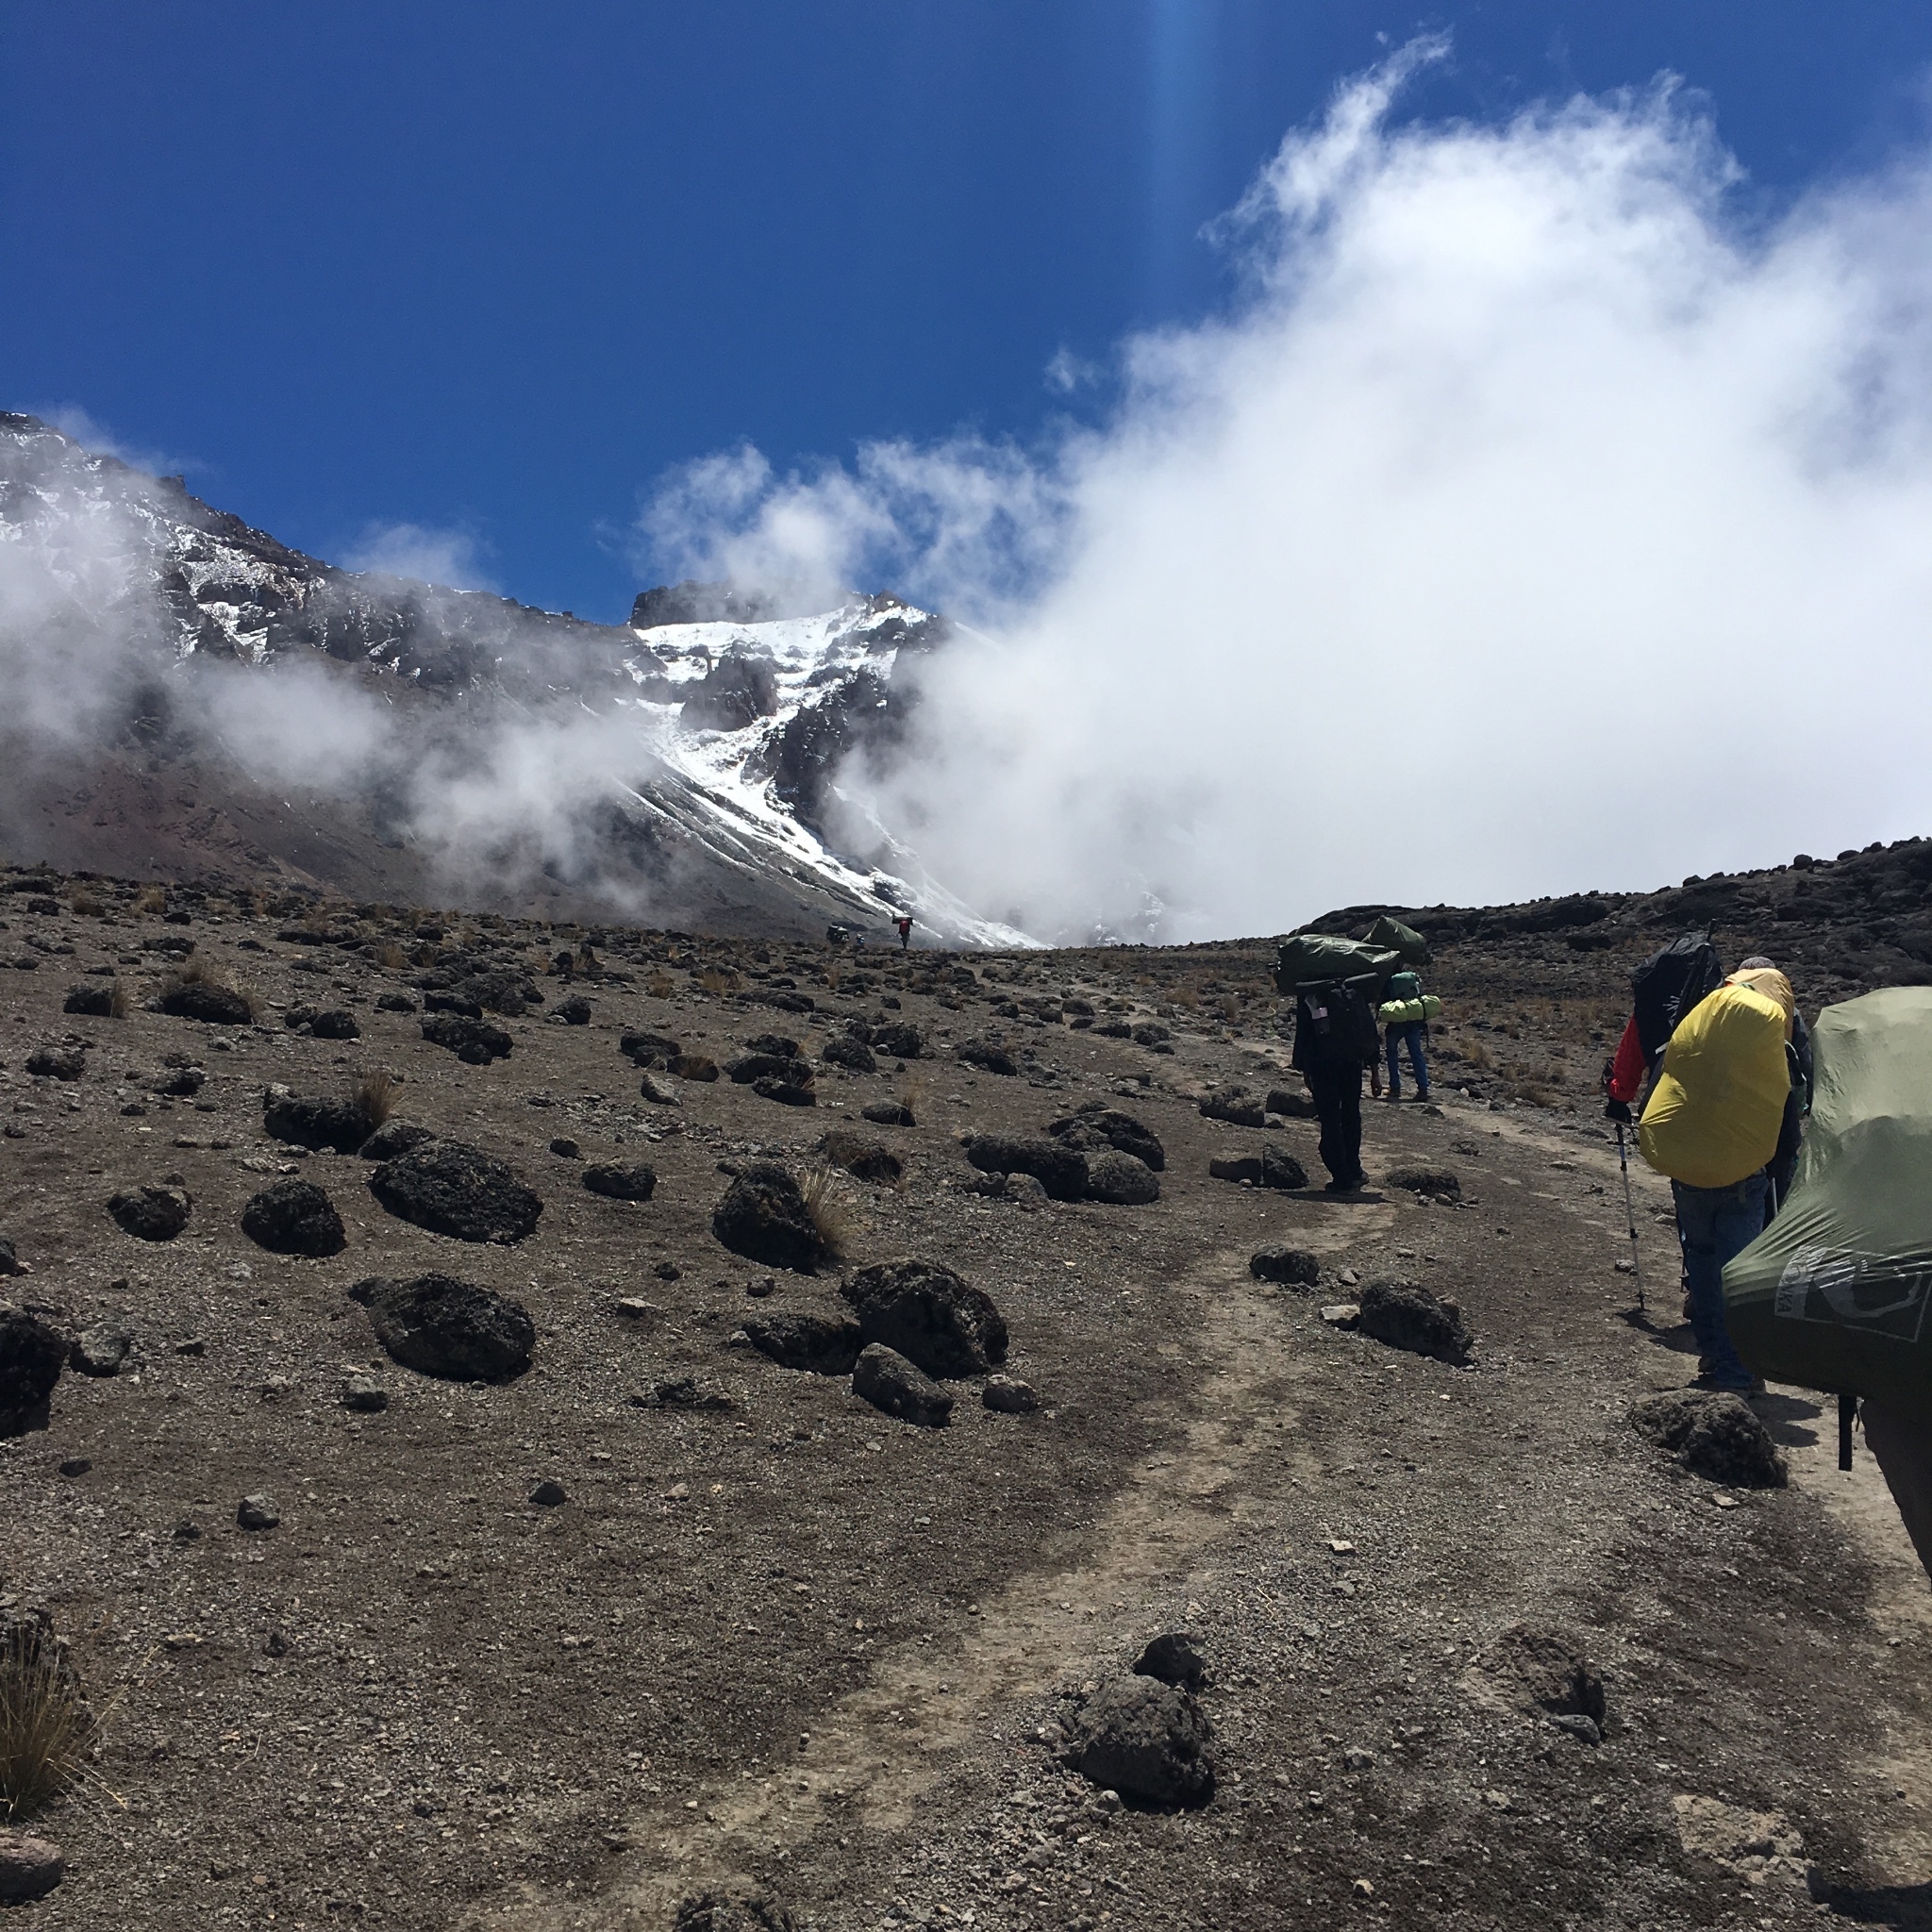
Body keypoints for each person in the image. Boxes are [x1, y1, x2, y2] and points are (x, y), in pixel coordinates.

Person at [1608, 959, 1800, 1395]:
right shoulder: (1770, 1040)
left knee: (1702, 1261)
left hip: (1688, 1169)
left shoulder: (1700, 1018)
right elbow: (1787, 1111)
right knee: (1737, 1274)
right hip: (1744, 1176)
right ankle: (1738, 1372)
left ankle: (1713, 1354)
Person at [1291, 974, 1381, 1192]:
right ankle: (1355, 1170)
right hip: (1352, 1063)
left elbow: (1303, 1032)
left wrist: (1302, 1067)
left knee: (1330, 1119)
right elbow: (1368, 1030)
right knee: (1351, 1115)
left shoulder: (1309, 993)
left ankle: (1342, 1177)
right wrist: (1375, 1072)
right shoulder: (1353, 991)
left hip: (1322, 1065)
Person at [1380, 965, 1433, 1103]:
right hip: (1414, 1022)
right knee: (1416, 1053)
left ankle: (1395, 1088)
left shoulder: (1390, 981)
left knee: (1392, 1053)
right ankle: (1423, 1089)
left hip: (1397, 1023)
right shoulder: (1410, 979)